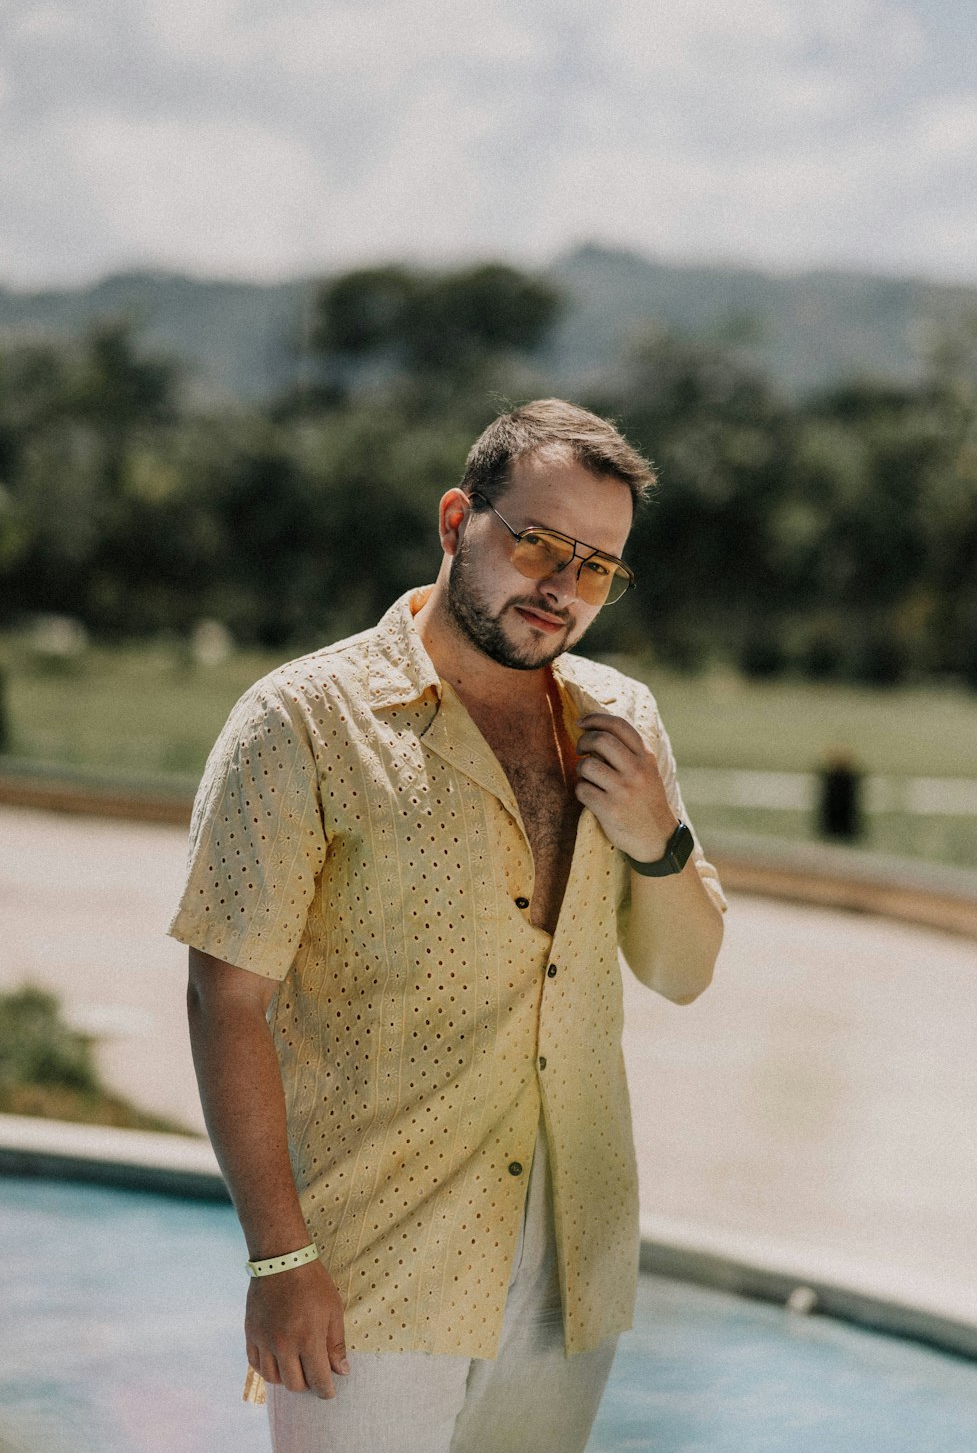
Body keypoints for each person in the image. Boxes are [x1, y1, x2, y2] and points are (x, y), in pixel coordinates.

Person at [171, 398, 726, 1453]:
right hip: (374, 1263)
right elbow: (225, 997)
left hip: (573, 1259)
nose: (562, 587)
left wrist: (659, 837)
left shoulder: (624, 724)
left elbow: (686, 971)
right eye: (537, 543)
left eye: (597, 566)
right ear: (457, 518)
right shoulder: (302, 721)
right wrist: (279, 1259)